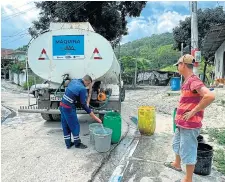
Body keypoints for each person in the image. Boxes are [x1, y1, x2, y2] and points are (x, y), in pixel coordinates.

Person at [164, 54, 215, 182]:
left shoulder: (193, 80)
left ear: (183, 65)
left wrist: (193, 111)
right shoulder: (187, 80)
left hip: (190, 125)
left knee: (188, 149)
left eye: (178, 65)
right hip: (182, 123)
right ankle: (177, 164)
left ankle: (188, 179)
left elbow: (209, 96)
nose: (177, 67)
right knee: (176, 144)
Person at [59, 75, 102, 149]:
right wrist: (95, 117)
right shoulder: (82, 89)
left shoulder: (74, 81)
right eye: (88, 84)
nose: (88, 86)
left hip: (62, 105)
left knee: (65, 125)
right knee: (75, 125)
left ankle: (68, 144)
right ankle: (77, 143)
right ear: (86, 81)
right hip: (68, 108)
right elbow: (83, 105)